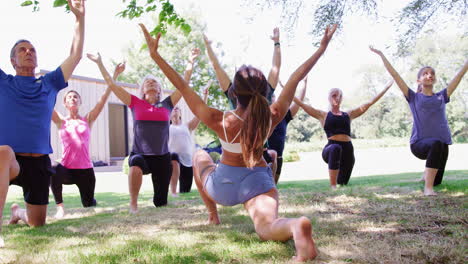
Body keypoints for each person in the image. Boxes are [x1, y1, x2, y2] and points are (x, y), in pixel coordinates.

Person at [140, 22, 337, 262]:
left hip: (223, 186)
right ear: (265, 89)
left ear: (234, 93)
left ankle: (213, 215)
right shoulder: (271, 115)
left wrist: (155, 55)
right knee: (267, 228)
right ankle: (295, 225)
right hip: (258, 182)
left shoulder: (219, 119)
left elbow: (181, 85)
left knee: (199, 155)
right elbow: (296, 77)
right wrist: (321, 48)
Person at [0, 0, 85, 247]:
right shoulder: (4, 82)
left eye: (32, 50)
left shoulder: (49, 83)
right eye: (22, 50)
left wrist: (79, 19)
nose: (29, 52)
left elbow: (76, 55)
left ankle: (18, 213)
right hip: (9, 160)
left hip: (38, 161)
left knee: (37, 224)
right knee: (3, 152)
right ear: (13, 60)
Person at [87, 48, 200, 213]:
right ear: (142, 90)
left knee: (160, 203)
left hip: (162, 157)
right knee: (136, 164)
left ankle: (162, 197)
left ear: (160, 90)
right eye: (148, 82)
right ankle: (133, 204)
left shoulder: (167, 105)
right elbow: (111, 84)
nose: (151, 83)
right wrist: (100, 63)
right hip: (141, 154)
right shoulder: (135, 103)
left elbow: (183, 86)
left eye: (155, 82)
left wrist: (190, 61)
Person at [370, 46, 468, 196]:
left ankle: (426, 177)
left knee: (438, 177)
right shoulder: (413, 97)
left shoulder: (442, 96)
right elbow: (395, 75)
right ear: (419, 80)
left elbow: (459, 76)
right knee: (436, 144)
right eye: (425, 73)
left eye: (432, 73)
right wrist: (382, 55)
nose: (430, 75)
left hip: (439, 146)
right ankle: (427, 189)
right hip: (418, 145)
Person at [49, 63, 123, 218]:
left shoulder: (88, 119)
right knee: (53, 168)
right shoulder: (61, 121)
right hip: (67, 169)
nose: (73, 98)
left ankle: (93, 201)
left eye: (75, 96)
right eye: (69, 97)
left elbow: (103, 100)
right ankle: (60, 207)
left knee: (88, 204)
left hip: (85, 170)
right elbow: (45, 104)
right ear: (65, 103)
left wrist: (114, 76)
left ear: (79, 102)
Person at [204, 27, 282, 173]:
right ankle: (270, 183)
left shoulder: (235, 94)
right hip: (256, 155)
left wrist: (208, 46)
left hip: (238, 159)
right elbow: (276, 67)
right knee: (270, 161)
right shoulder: (265, 93)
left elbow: (217, 67)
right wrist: (277, 43)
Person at [293, 80, 393, 189]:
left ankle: (338, 182)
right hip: (331, 149)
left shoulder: (348, 114)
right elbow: (301, 104)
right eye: (333, 95)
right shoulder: (323, 115)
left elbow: (369, 103)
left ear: (342, 98)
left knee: (343, 182)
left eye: (339, 96)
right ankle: (333, 186)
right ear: (328, 98)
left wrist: (386, 87)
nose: (336, 98)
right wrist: (287, 89)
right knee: (336, 148)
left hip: (348, 151)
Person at [169, 82, 210, 196]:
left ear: (181, 114)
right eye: (173, 108)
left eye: (178, 108)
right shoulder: (166, 128)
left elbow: (200, 113)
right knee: (174, 157)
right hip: (173, 161)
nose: (176, 108)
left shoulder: (187, 126)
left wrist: (205, 96)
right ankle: (172, 191)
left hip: (187, 162)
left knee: (185, 191)